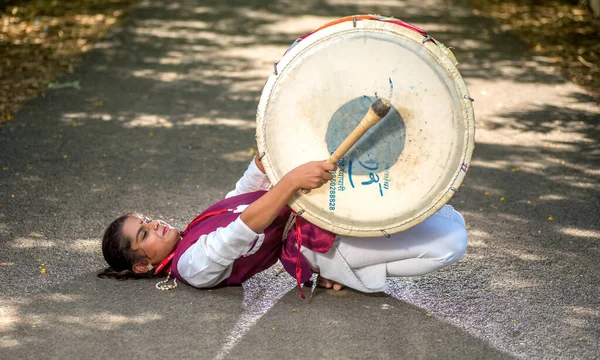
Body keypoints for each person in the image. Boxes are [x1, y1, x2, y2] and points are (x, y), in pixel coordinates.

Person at [98, 155, 468, 296]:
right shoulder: (191, 267)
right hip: (312, 244)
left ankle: (350, 270)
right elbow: (241, 229)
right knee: (450, 242)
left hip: (316, 218)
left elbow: (244, 192)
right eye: (144, 233)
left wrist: (265, 150)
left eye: (147, 219)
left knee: (447, 219)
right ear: (143, 264)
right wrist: (290, 181)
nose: (155, 224)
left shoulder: (197, 225)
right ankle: (348, 272)